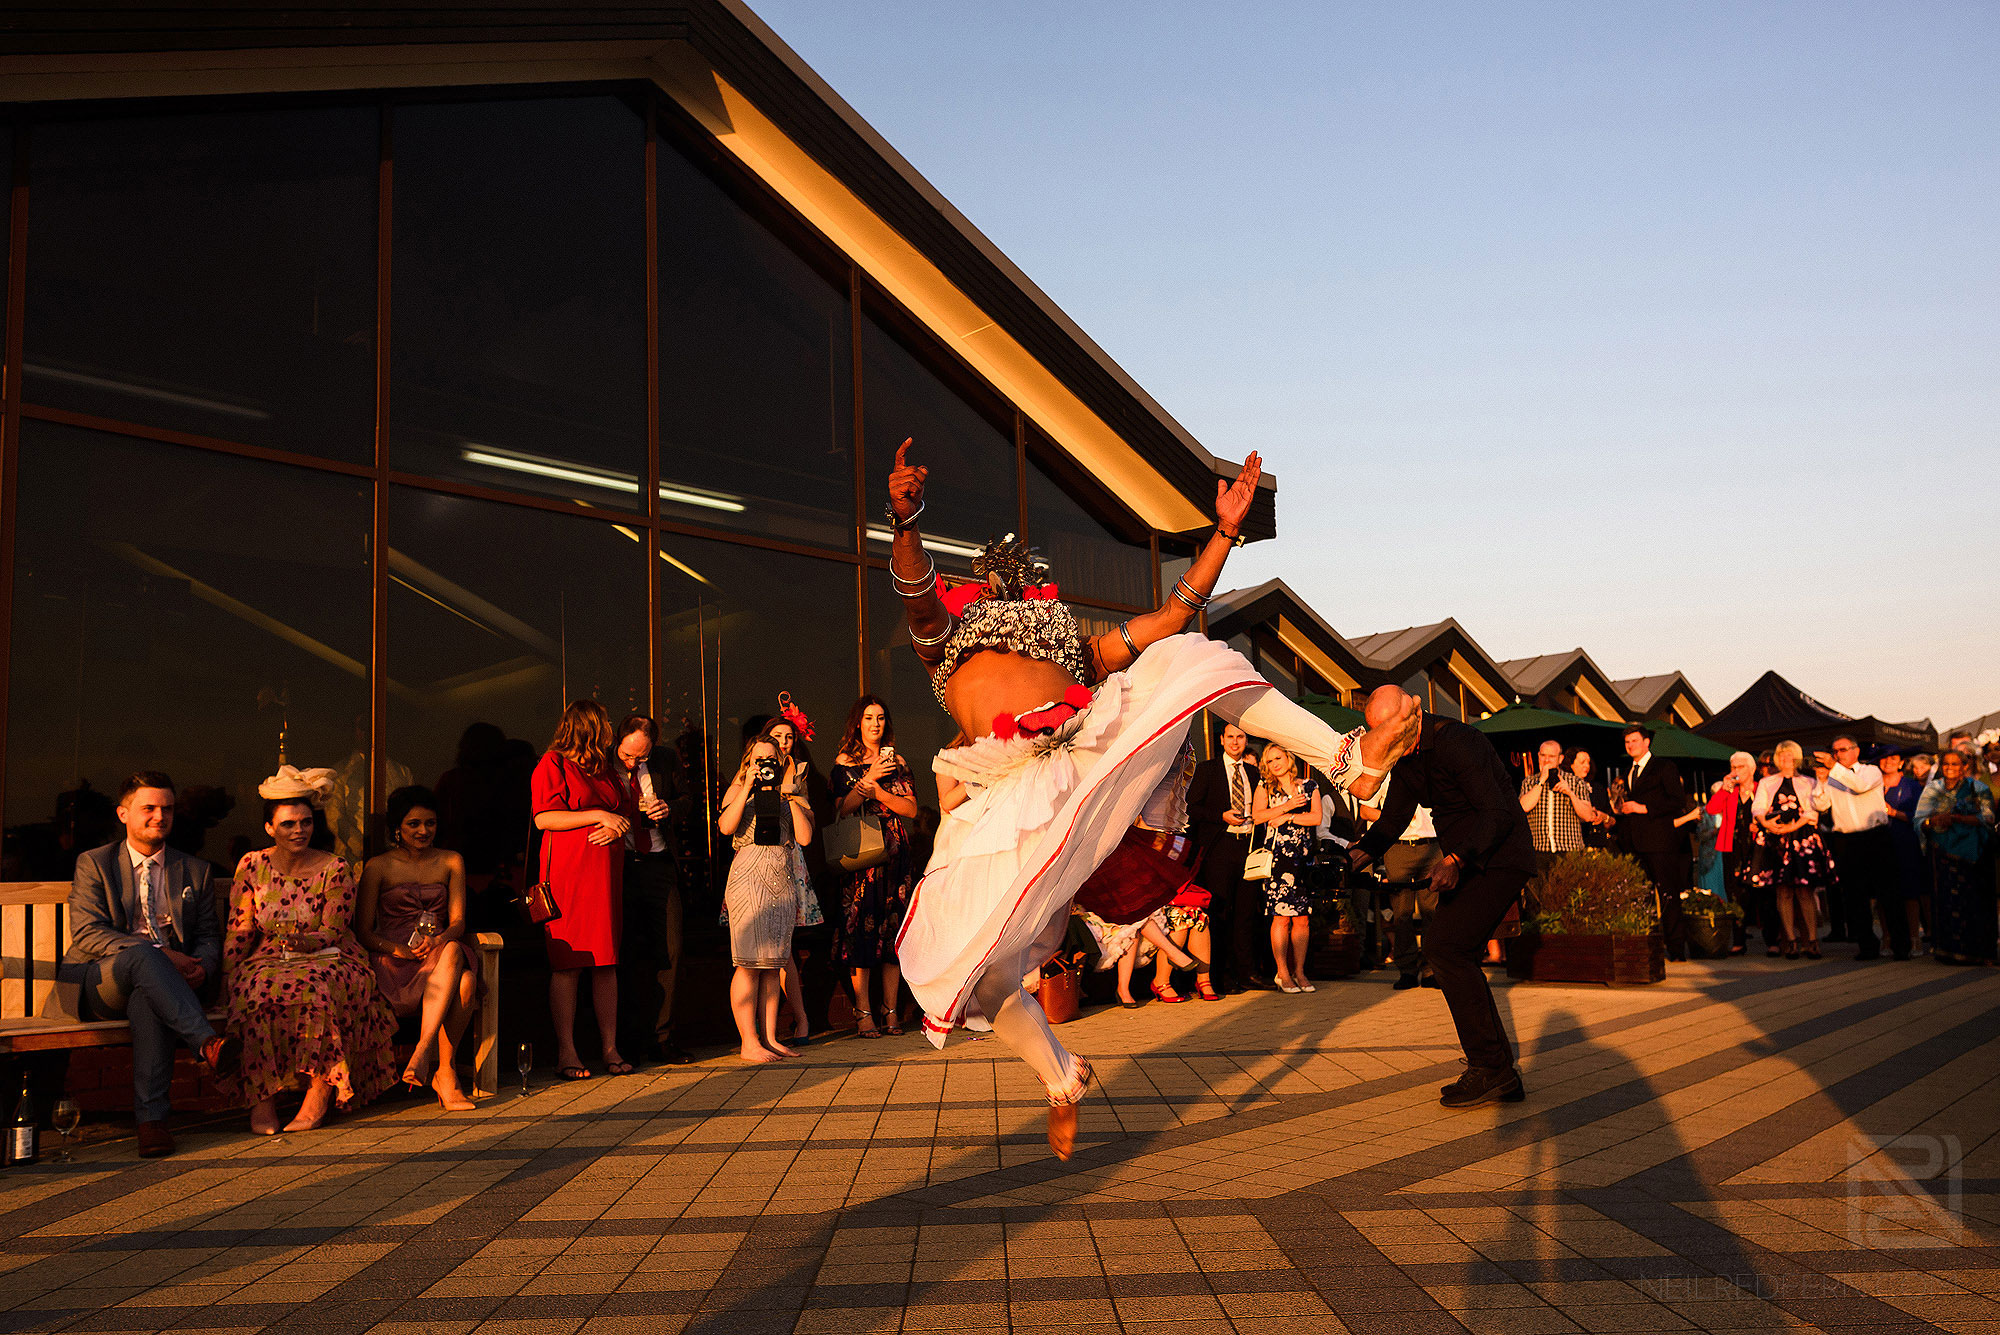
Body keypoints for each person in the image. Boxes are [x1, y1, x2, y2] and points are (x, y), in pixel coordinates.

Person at [885, 440, 1415, 1157]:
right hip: (1008, 801)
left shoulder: (1070, 642)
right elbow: (917, 595)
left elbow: (1171, 615)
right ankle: (1062, 1076)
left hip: (1082, 755)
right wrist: (906, 522)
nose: (1004, 584)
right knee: (986, 977)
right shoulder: (946, 641)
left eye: (1016, 577)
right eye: (990, 581)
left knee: (1191, 655)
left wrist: (1225, 533)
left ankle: (1346, 757)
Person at [1351, 687, 1535, 1108]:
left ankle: (1490, 1067)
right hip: (1469, 859)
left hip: (1500, 857)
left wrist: (1454, 859)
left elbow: (1496, 812)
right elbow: (1394, 818)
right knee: (1455, 952)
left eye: (1387, 730)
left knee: (1445, 948)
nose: (1383, 740)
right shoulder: (1407, 756)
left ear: (1410, 713)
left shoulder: (1458, 740)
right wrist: (1354, 858)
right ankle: (1498, 1068)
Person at [62, 771, 239, 1158]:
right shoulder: (95, 862)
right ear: (123, 814)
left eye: (167, 809)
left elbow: (210, 935)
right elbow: (88, 933)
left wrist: (203, 967)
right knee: (144, 956)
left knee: (148, 995)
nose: (160, 816)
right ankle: (206, 1043)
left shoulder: (195, 870)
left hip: (166, 985)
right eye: (149, 808)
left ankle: (152, 1124)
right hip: (101, 982)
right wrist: (163, 956)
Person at [222, 768, 400, 1134]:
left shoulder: (334, 867)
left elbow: (333, 928)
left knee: (317, 991)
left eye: (305, 822)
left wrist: (305, 943)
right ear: (270, 828)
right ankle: (262, 1100)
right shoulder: (252, 865)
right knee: (253, 993)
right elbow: (240, 925)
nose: (298, 830)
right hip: (270, 956)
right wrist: (227, 972)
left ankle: (319, 1094)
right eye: (288, 824)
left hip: (330, 955)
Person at [531, 700, 638, 1081]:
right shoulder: (553, 763)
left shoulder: (606, 769)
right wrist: (598, 815)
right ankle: (567, 1050)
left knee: (606, 961)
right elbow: (544, 816)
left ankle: (609, 1047)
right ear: (589, 726)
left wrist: (616, 826)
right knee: (569, 963)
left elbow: (626, 811)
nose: (610, 727)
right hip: (569, 872)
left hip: (605, 873)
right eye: (605, 721)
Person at [355, 785, 478, 1111]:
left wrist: (439, 939)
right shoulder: (378, 867)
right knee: (465, 983)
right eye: (414, 824)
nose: (424, 831)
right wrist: (396, 950)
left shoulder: (451, 861)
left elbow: (458, 922)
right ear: (398, 827)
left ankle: (426, 1054)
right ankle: (445, 1073)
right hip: (394, 957)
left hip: (439, 949)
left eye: (430, 823)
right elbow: (364, 931)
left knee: (454, 950)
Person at [717, 736, 816, 1060]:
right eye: (758, 759)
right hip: (748, 876)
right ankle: (749, 1042)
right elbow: (725, 827)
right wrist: (747, 785)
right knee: (747, 964)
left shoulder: (791, 792)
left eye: (770, 759)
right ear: (748, 761)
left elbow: (804, 837)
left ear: (781, 760)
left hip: (781, 877)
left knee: (773, 965)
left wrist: (791, 796)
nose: (764, 765)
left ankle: (771, 1038)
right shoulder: (738, 791)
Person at [829, 696, 921, 1037]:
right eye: (869, 718)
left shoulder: (897, 761)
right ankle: (863, 1011)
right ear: (858, 723)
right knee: (861, 933)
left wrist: (881, 793)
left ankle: (891, 1010)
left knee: (892, 934)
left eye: (881, 718)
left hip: (896, 854)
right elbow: (843, 809)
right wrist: (868, 777)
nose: (875, 724)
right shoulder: (845, 762)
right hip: (863, 855)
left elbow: (911, 810)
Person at [612, 715, 694, 1065]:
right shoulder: (602, 763)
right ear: (618, 741)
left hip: (659, 862)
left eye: (641, 757)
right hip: (620, 864)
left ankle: (663, 1037)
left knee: (671, 950)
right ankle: (626, 1041)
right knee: (625, 952)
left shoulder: (664, 760)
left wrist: (669, 808)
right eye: (629, 756)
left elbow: (689, 800)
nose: (634, 762)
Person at [1813, 735, 1908, 961]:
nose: (1838, 755)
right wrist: (1822, 781)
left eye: (1843, 750)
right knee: (1855, 896)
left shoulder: (1870, 771)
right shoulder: (1833, 775)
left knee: (1889, 893)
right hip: (1846, 840)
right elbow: (1820, 804)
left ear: (1856, 751)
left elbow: (1859, 787)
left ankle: (1900, 945)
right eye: (1835, 751)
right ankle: (1867, 946)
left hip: (1875, 836)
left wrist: (1833, 768)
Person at [1187, 723, 1266, 992]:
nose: (1235, 742)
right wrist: (1221, 815)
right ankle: (1219, 977)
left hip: (1248, 847)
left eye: (1240, 737)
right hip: (1220, 846)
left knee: (1245, 914)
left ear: (1246, 741)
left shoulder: (1254, 773)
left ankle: (1246, 973)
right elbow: (1191, 808)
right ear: (1221, 739)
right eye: (1230, 737)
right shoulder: (1208, 770)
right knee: (1219, 913)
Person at [764, 715, 826, 1043]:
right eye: (778, 736)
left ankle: (798, 1021)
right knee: (765, 950)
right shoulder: (749, 772)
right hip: (756, 865)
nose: (784, 742)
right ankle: (769, 1028)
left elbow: (808, 826)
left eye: (789, 737)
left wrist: (792, 796)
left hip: (788, 862)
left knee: (784, 948)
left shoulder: (800, 774)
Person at [1750, 742, 1833, 961]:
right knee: (1783, 891)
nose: (1786, 759)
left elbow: (1813, 812)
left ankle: (1812, 940)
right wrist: (1767, 825)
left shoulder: (1808, 781)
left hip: (1801, 839)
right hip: (1775, 840)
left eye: (1790, 755)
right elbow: (1758, 807)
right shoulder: (1767, 782)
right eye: (1782, 755)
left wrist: (1790, 827)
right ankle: (1790, 940)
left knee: (1805, 891)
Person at [1615, 725, 1691, 962]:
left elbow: (1677, 801)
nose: (1630, 746)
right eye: (1627, 742)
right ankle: (1649, 944)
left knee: (1668, 893)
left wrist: (1644, 808)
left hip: (1660, 841)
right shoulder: (1629, 771)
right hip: (1636, 842)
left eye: (1634, 741)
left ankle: (1676, 948)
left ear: (1647, 742)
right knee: (1643, 896)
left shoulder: (1664, 767)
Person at [1250, 743, 1322, 994]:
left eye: (1278, 758)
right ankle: (1282, 972)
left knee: (1302, 919)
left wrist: (1289, 817)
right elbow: (1257, 817)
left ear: (1288, 758)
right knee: (1280, 918)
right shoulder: (1265, 787)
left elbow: (1316, 818)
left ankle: (1300, 971)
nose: (1274, 764)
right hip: (1278, 859)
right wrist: (1287, 807)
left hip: (1303, 858)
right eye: (1269, 761)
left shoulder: (1309, 786)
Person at [1916, 750, 1995, 965]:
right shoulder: (1932, 789)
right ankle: (1947, 950)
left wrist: (1958, 817)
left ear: (1964, 766)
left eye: (1955, 764)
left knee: (1974, 901)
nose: (1950, 767)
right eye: (1946, 764)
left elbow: (1989, 817)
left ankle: (1978, 952)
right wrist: (1933, 822)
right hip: (1941, 851)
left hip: (1973, 853)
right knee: (1945, 900)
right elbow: (1919, 819)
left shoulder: (1978, 788)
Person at [1361, 774, 1440, 992]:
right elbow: (1365, 810)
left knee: (1431, 911)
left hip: (1432, 845)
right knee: (1402, 912)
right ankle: (1407, 970)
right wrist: (1394, 819)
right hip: (1398, 846)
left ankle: (1431, 970)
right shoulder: (1385, 775)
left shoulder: (1430, 768)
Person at [1707, 753, 1772, 954]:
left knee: (1763, 894)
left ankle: (1772, 939)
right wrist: (1725, 789)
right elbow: (1711, 809)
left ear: (1752, 769)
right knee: (1735, 895)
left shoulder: (1762, 788)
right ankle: (1739, 940)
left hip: (1758, 848)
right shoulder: (1729, 791)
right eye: (1733, 767)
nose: (1735, 771)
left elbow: (1773, 812)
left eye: (1740, 767)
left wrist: (1760, 825)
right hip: (1732, 847)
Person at [1519, 740, 1596, 876]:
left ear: (1560, 759)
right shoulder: (1529, 782)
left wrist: (1570, 793)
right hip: (1539, 852)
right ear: (1538, 756)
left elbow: (1588, 816)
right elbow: (1523, 807)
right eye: (1543, 755)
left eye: (1551, 756)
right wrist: (1541, 781)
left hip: (1569, 852)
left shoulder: (1575, 781)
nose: (1547, 760)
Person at [1879, 751, 1930, 953]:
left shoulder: (1911, 785)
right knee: (1882, 894)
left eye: (1893, 758)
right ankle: (1887, 937)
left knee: (1910, 892)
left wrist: (1894, 813)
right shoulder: (1872, 783)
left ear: (1901, 763)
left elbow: (1920, 816)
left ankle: (1914, 938)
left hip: (1906, 842)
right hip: (1879, 842)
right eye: (1884, 758)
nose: (1888, 762)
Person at [1569, 750, 1615, 849]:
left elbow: (1613, 822)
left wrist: (1604, 817)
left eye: (1588, 762)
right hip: (1574, 845)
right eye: (1582, 762)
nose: (1587, 766)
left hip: (1599, 845)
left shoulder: (1598, 788)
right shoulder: (1564, 788)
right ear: (1570, 765)